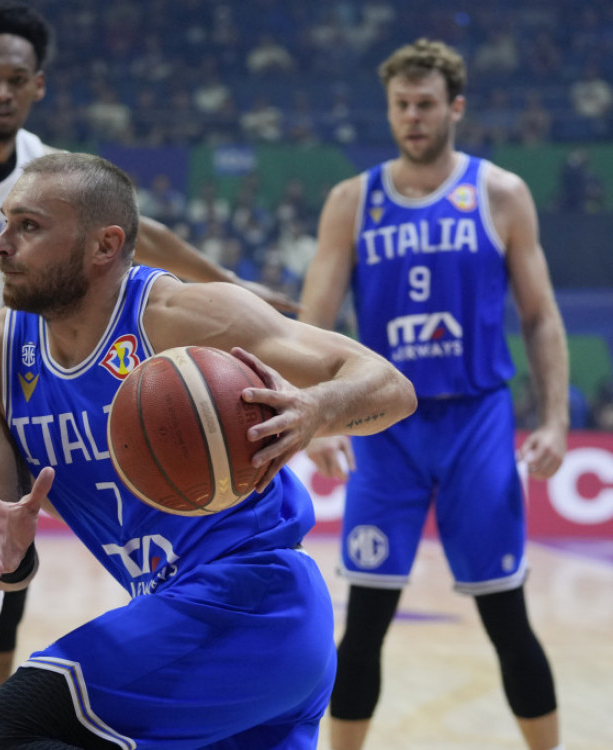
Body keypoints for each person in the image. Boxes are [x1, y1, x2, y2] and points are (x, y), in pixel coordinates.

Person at [0, 1, 299, 715]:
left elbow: (146, 228)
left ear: (37, 86)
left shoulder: (41, 170)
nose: (3, 92)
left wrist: (230, 286)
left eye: (17, 79)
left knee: (0, 554)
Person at [0, 151, 417, 748]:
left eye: (29, 227)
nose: (0, 244)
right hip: (190, 626)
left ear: (104, 245)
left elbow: (393, 389)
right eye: (6, 221)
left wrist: (315, 411)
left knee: (8, 731)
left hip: (256, 600)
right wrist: (10, 556)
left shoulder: (182, 316)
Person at [297, 39, 569, 750]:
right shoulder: (352, 201)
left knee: (506, 616)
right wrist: (319, 419)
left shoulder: (501, 192)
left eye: (425, 105)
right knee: (365, 624)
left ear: (455, 108)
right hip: (384, 426)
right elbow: (312, 324)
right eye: (401, 105)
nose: (412, 117)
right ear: (389, 110)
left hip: (477, 422)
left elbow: (540, 317)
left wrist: (557, 418)